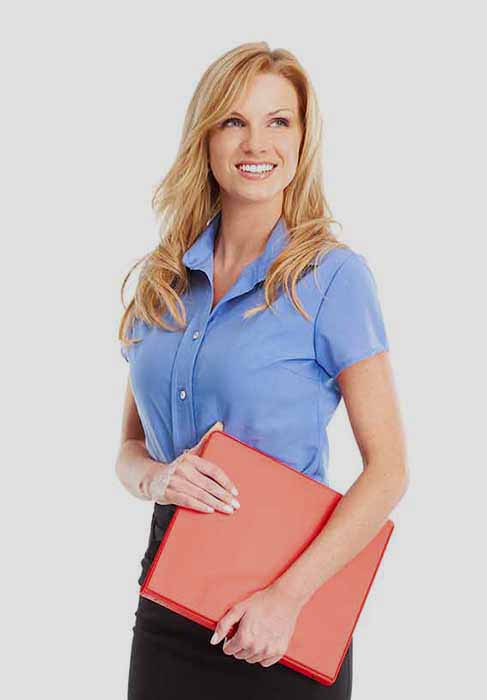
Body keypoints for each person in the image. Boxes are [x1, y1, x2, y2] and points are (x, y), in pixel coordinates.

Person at [116, 41, 408, 700]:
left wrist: (286, 598)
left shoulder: (333, 278)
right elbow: (129, 450)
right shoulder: (162, 281)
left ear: (302, 139)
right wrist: (158, 477)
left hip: (284, 614)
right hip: (168, 598)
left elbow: (389, 471)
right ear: (206, 137)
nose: (257, 142)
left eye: (279, 121)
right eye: (234, 120)